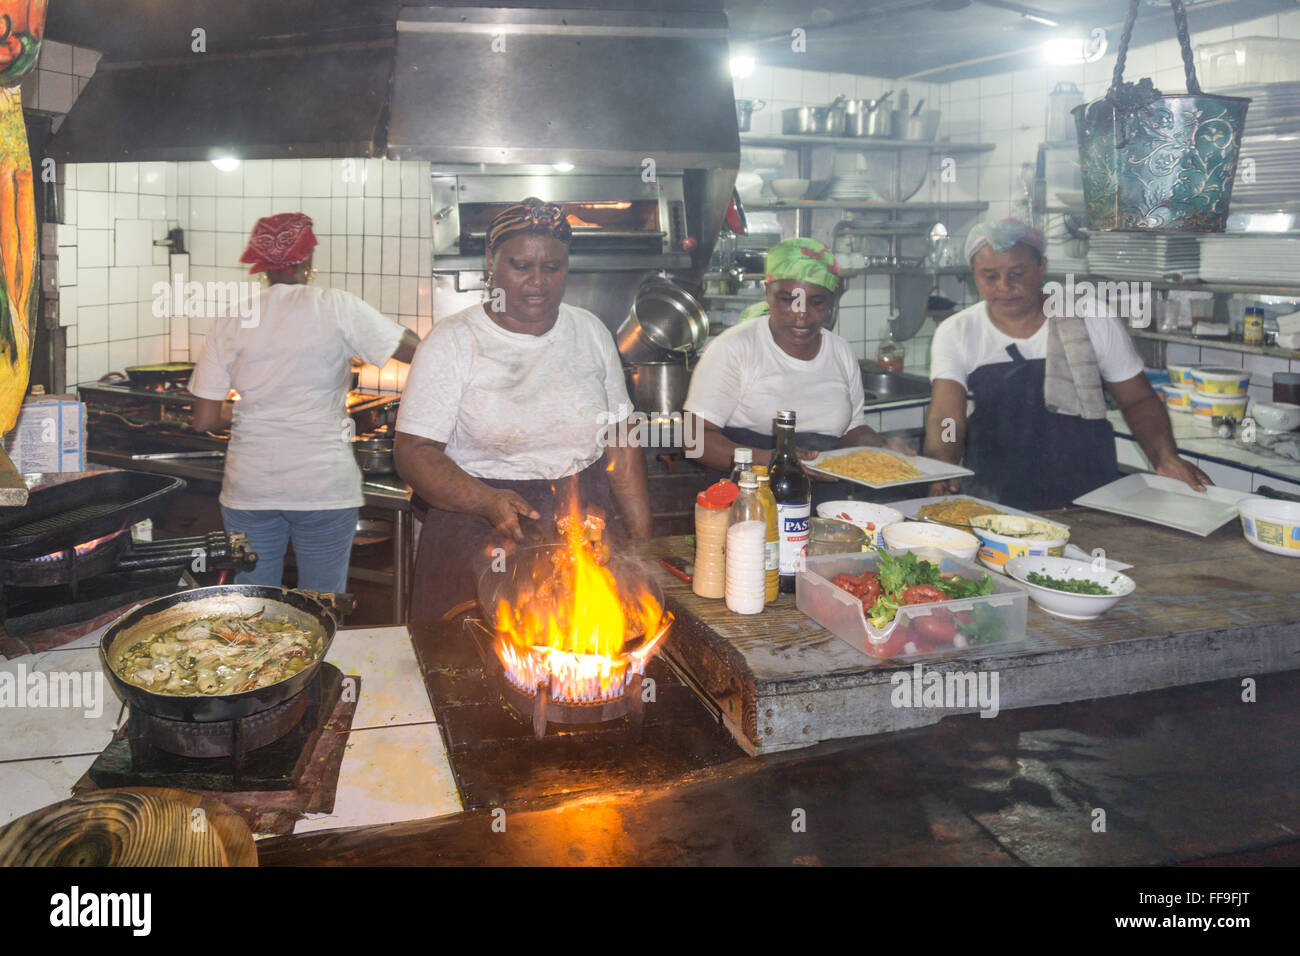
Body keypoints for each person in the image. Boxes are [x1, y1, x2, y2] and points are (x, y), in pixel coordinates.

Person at [394, 197, 654, 622]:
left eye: (552, 268)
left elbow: (621, 443)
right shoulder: (453, 341)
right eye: (520, 266)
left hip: (580, 528)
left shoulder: (589, 332)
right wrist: (487, 501)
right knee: (467, 665)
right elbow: (414, 453)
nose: (537, 281)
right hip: (477, 527)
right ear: (491, 261)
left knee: (578, 656)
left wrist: (644, 548)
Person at [190, 212, 419, 592]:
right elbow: (416, 350)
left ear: (260, 263)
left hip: (251, 486)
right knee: (322, 603)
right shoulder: (336, 306)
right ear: (308, 260)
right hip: (322, 485)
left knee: (253, 607)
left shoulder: (234, 316)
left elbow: (203, 419)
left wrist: (254, 410)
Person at [924, 217, 1208, 510]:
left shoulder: (1089, 316)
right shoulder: (957, 331)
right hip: (995, 495)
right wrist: (944, 463)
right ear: (973, 274)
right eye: (989, 276)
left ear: (1042, 267)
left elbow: (1137, 400)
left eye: (1017, 274)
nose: (1004, 287)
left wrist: (1165, 457)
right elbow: (947, 416)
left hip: (1090, 494)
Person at [683, 237, 911, 503]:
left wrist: (881, 447)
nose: (801, 314)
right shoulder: (735, 348)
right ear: (767, 292)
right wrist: (776, 461)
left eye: (817, 302)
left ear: (831, 299)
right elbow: (693, 440)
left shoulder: (840, 351)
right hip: (751, 508)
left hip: (824, 509)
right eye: (788, 299)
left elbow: (852, 429)